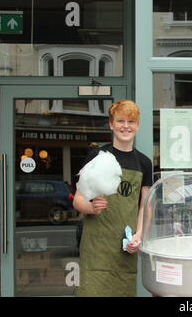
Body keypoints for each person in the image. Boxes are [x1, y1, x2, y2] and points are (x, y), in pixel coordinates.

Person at [73, 99, 152, 297]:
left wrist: (139, 235)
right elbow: (78, 199)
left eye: (131, 121)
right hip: (96, 249)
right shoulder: (97, 156)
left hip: (125, 248)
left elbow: (145, 206)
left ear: (138, 125)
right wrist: (91, 208)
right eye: (120, 121)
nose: (126, 126)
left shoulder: (144, 163)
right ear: (111, 124)